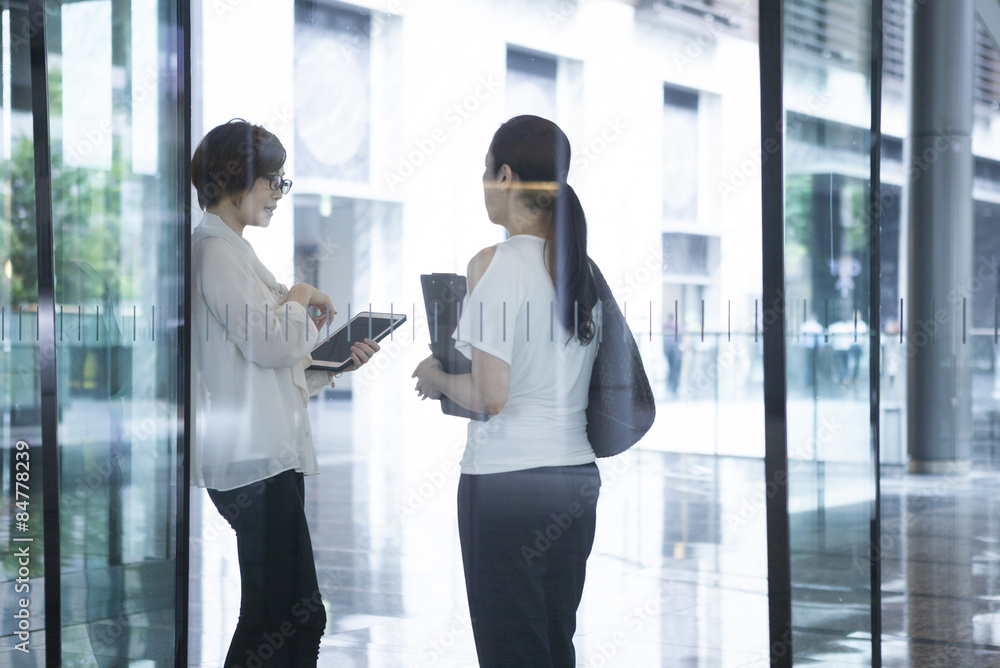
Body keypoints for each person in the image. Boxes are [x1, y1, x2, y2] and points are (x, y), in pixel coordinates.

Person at [412, 115, 602, 668]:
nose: (482, 183)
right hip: (574, 480)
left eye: (485, 171)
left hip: (506, 487)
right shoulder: (581, 270)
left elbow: (491, 395)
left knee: (511, 653)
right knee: (552, 644)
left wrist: (435, 377)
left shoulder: (501, 268)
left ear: (507, 175)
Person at [190, 119, 380, 667]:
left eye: (281, 183)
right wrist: (297, 293)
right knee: (294, 617)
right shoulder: (215, 251)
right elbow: (269, 344)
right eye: (272, 181)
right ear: (234, 177)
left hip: (265, 458)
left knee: (274, 617)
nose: (277, 194)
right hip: (254, 463)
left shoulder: (232, 250)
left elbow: (263, 362)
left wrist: (329, 366)